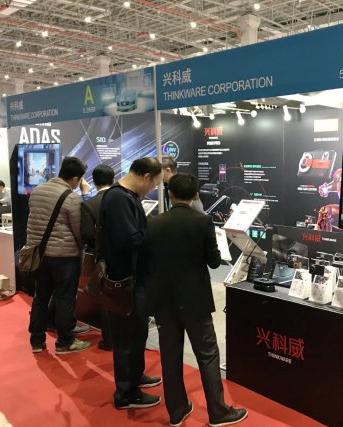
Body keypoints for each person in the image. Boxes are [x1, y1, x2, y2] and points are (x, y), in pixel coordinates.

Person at [147, 173, 248, 427]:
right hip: (195, 300)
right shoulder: (202, 221)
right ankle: (218, 412)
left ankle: (177, 411)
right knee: (208, 355)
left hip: (164, 300)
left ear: (170, 194)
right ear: (195, 196)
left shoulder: (154, 222)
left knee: (170, 356)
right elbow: (213, 262)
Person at [99, 157, 163, 409]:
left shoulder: (126, 197)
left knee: (137, 333)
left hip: (134, 279)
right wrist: (155, 232)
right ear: (145, 176)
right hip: (126, 281)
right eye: (154, 184)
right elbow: (130, 239)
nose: (152, 189)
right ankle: (126, 393)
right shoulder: (118, 199)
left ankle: (135, 377)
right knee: (127, 338)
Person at [27, 157, 91, 354]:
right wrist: (82, 247)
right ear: (76, 178)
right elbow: (79, 230)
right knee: (65, 298)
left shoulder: (37, 191)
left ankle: (37, 341)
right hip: (64, 256)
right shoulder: (72, 198)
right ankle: (65, 342)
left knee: (40, 297)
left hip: (39, 254)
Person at [80, 164, 115, 351]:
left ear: (93, 181)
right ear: (113, 179)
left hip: (100, 258)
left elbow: (86, 234)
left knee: (105, 297)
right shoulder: (124, 199)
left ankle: (109, 340)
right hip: (123, 256)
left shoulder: (89, 204)